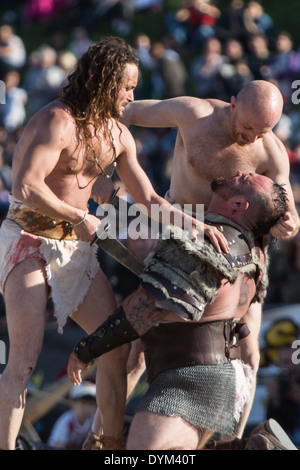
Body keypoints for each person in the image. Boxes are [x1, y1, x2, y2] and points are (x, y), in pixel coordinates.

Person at [0, 36, 227, 451]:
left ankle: (109, 446)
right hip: (28, 238)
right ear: (105, 82)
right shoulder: (57, 121)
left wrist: (195, 225)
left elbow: (151, 200)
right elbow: (25, 186)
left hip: (76, 247)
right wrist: (78, 215)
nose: (132, 96)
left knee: (114, 347)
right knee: (23, 361)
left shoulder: (120, 136)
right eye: (127, 87)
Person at [68, 171, 297, 450]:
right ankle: (251, 446)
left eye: (245, 179)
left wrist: (87, 349)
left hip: (188, 379)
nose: (236, 171)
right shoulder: (255, 252)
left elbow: (143, 310)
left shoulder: (204, 244)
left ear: (239, 205)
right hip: (220, 377)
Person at [47, 381, 97, 450]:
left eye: (90, 404)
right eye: (83, 403)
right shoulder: (66, 421)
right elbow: (57, 445)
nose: (86, 408)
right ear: (72, 404)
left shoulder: (95, 422)